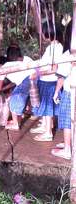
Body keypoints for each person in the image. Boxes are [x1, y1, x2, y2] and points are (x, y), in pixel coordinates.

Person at [30, 23, 63, 141]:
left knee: (48, 107)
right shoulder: (51, 47)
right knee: (44, 105)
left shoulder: (57, 48)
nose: (43, 35)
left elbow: (54, 69)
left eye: (44, 33)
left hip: (50, 81)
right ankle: (45, 126)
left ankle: (48, 132)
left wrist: (38, 73)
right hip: (45, 80)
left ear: (49, 34)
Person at [0, 46, 34, 130]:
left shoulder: (3, 68)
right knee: (21, 99)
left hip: (25, 81)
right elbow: (16, 81)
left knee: (13, 100)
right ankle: (17, 120)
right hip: (33, 78)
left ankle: (16, 124)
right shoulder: (23, 61)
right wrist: (4, 89)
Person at [51, 20, 73, 159]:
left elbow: (61, 76)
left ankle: (67, 149)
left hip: (70, 91)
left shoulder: (68, 55)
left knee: (66, 119)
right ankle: (70, 144)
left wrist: (55, 92)